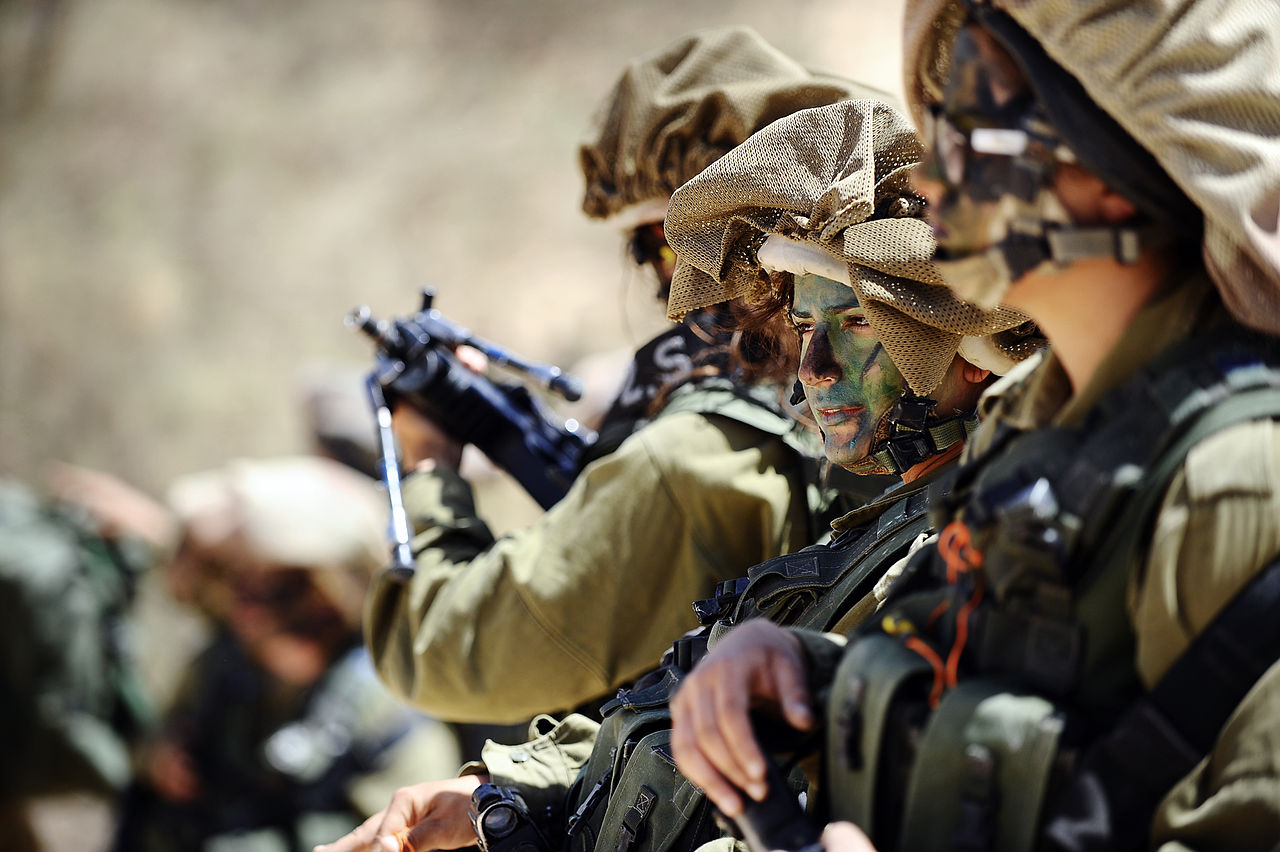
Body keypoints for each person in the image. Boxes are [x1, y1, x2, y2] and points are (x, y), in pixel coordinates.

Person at [315, 94, 1037, 852]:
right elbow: (695, 720)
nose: (815, 370)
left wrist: (427, 464)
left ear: (969, 347)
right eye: (802, 326)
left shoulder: (970, 541)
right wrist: (503, 796)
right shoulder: (891, 524)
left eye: (856, 323)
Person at [670, 2, 1280, 850]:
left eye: (972, 125)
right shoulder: (1034, 428)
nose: (928, 178)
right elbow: (1029, 718)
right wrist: (807, 674)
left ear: (1112, 159)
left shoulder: (1240, 476)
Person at [365, 25, 894, 726]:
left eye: (672, 245)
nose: (662, 287)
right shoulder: (893, 397)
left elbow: (438, 650)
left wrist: (427, 461)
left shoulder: (694, 459)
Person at [111, 456, 460, 852]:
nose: (248, 609)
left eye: (279, 587)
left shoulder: (390, 722)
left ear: (330, 598)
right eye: (241, 583)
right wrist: (159, 758)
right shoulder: (223, 667)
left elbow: (418, 832)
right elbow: (155, 739)